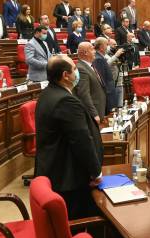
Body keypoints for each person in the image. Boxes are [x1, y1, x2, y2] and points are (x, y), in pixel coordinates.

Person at [35, 55, 102, 220]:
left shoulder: (47, 93)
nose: (77, 72)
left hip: (54, 171)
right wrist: (95, 172)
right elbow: (81, 141)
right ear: (65, 75)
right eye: (74, 69)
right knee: (79, 222)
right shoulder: (65, 101)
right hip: (69, 178)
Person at [75, 42, 106, 122]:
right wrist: (94, 114)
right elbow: (84, 94)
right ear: (85, 53)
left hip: (99, 108)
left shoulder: (90, 65)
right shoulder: (81, 69)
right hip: (92, 113)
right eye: (92, 49)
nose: (95, 51)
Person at [93, 37, 118, 115]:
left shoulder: (101, 57)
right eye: (107, 45)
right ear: (101, 47)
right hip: (107, 94)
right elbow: (102, 80)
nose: (108, 47)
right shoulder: (98, 59)